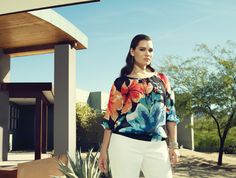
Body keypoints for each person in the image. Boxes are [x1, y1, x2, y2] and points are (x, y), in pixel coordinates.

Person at [98, 34, 180, 178]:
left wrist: (173, 145)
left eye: (150, 50)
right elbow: (110, 118)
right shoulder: (121, 82)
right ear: (132, 51)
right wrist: (104, 150)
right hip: (124, 144)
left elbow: (171, 114)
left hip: (157, 144)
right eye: (142, 49)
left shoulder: (161, 79)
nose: (147, 54)